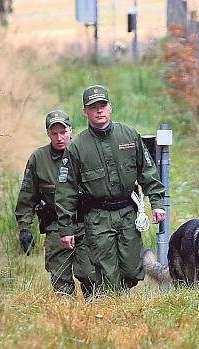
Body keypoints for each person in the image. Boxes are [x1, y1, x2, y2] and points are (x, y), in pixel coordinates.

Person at [55, 84, 166, 294]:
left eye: (102, 105)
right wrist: (66, 228)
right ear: (85, 111)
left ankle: (117, 295)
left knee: (132, 270)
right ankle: (114, 307)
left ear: (110, 107)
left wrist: (157, 203)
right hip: (98, 217)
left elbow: (148, 171)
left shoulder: (129, 135)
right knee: (107, 270)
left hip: (127, 213)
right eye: (93, 106)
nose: (99, 110)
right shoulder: (77, 147)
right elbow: (65, 190)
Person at [15, 110, 96, 299]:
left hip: (86, 223)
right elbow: (27, 197)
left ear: (71, 131)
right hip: (56, 226)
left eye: (63, 132)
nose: (59, 138)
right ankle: (65, 317)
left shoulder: (85, 152)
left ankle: (95, 316)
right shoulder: (39, 159)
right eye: (54, 133)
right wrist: (25, 228)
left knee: (90, 274)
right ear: (48, 134)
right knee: (60, 279)